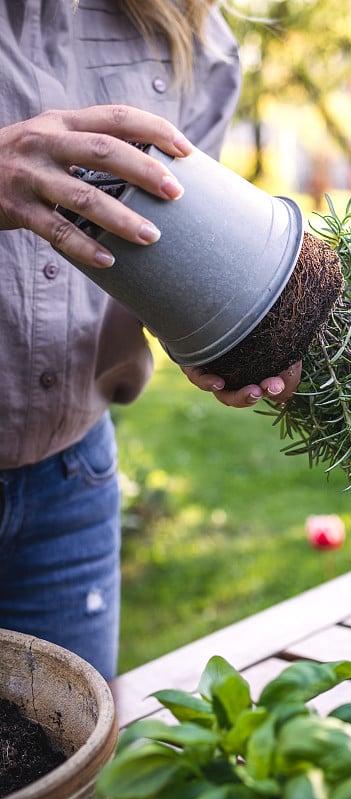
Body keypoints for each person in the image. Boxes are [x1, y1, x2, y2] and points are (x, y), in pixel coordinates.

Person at [0, 0, 301, 680]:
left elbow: (173, 253)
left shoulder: (188, 26)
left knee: (68, 777)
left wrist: (228, 332)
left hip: (68, 486)